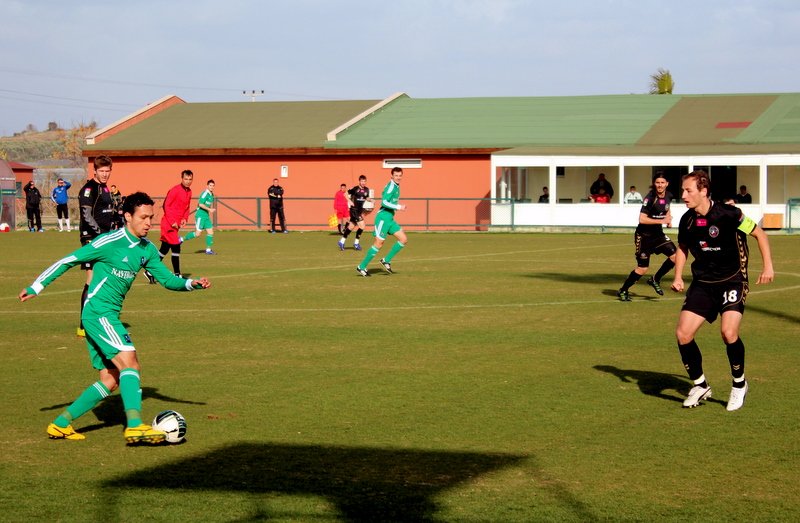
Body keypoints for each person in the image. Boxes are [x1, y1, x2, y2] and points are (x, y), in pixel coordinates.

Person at [19, 191, 211, 444]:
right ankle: (134, 426)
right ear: (127, 216)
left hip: (106, 315)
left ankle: (60, 424)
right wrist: (36, 287)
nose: (148, 223)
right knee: (130, 363)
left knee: (111, 378)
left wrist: (191, 284)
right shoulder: (109, 242)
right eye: (143, 217)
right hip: (98, 313)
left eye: (151, 218)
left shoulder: (147, 250)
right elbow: (68, 260)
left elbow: (167, 280)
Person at [670, 170, 774, 411]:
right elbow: (683, 248)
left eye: (689, 191)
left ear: (704, 191)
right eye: (683, 191)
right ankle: (700, 384)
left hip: (733, 280)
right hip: (703, 284)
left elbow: (759, 234)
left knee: (728, 332)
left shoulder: (730, 214)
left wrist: (768, 267)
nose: (684, 195)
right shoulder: (687, 220)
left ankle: (739, 385)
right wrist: (677, 276)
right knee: (683, 334)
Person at [617, 173, 677, 301]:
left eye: (662, 182)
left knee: (676, 257)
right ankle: (623, 290)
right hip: (644, 236)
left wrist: (668, 219)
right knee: (642, 269)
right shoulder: (649, 198)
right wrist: (661, 221)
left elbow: (667, 208)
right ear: (654, 184)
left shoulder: (669, 195)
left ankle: (655, 279)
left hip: (658, 234)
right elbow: (642, 219)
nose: (660, 185)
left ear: (667, 184)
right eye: (657, 183)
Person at [77, 155, 118, 337]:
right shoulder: (88, 189)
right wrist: (100, 234)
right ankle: (83, 325)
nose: (105, 174)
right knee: (91, 279)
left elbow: (108, 213)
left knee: (103, 278)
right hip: (91, 238)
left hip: (105, 239)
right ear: (95, 171)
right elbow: (86, 215)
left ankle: (99, 319)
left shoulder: (106, 189)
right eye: (101, 171)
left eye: (107, 171)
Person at [356, 167, 407, 276]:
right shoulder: (391, 187)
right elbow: (384, 202)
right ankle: (361, 267)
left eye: (399, 175)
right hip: (383, 218)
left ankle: (386, 260)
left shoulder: (397, 186)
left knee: (403, 239)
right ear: (392, 176)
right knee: (379, 243)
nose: (398, 177)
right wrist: (398, 206)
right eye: (396, 175)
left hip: (389, 218)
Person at [152, 169, 193, 280]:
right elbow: (166, 206)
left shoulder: (189, 192)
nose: (188, 181)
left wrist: (184, 218)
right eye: (186, 179)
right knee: (176, 246)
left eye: (190, 179)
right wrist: (172, 221)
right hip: (168, 224)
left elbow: (187, 207)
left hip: (176, 226)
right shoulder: (174, 190)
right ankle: (177, 274)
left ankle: (149, 272)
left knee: (164, 249)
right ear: (182, 178)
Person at [338, 175, 372, 251]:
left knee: (351, 226)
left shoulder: (367, 189)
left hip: (359, 211)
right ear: (359, 181)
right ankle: (356, 243)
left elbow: (366, 197)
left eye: (364, 181)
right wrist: (349, 201)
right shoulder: (355, 188)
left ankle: (341, 241)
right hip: (354, 210)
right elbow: (345, 194)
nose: (363, 183)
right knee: (362, 226)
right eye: (362, 181)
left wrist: (370, 200)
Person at [183, 179, 216, 254]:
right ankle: (181, 239)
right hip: (200, 216)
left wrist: (208, 211)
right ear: (207, 186)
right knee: (197, 234)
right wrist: (209, 209)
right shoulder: (205, 194)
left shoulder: (212, 195)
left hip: (206, 216)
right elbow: (200, 204)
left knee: (210, 232)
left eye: (213, 186)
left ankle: (208, 250)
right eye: (210, 185)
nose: (212, 187)